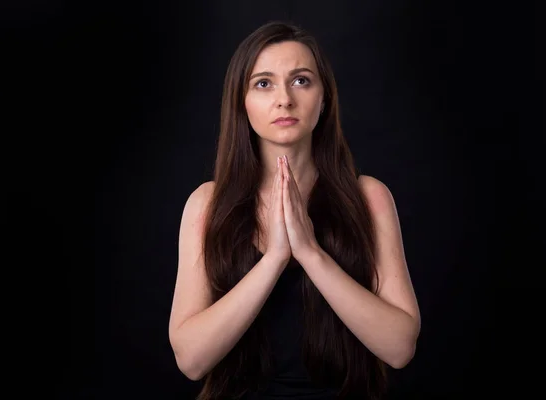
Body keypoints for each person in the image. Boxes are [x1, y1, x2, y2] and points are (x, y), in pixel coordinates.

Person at [168, 20, 420, 400]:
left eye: (301, 80)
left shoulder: (369, 198)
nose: (284, 99)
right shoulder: (207, 204)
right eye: (263, 83)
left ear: (325, 98)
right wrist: (274, 259)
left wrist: (311, 253)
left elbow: (400, 349)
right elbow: (191, 361)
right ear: (242, 102)